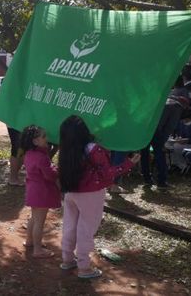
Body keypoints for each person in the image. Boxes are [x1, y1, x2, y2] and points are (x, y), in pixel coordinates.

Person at [58, 115, 139, 279]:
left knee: (70, 226)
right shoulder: (93, 148)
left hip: (70, 193)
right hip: (91, 194)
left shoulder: (65, 149)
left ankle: (67, 259)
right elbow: (108, 174)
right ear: (84, 131)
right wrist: (129, 164)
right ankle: (84, 267)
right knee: (86, 230)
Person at [19, 125, 60, 258]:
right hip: (42, 192)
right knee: (39, 221)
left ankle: (30, 241)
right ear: (35, 141)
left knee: (34, 218)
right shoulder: (42, 157)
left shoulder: (29, 154)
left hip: (33, 190)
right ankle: (38, 249)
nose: (46, 138)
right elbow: (50, 175)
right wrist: (57, 169)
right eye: (44, 136)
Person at [139, 94, 186, 190]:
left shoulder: (164, 100)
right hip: (156, 131)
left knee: (144, 154)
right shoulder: (176, 107)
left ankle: (146, 178)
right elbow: (170, 127)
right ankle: (161, 182)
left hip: (144, 129)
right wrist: (163, 141)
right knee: (160, 155)